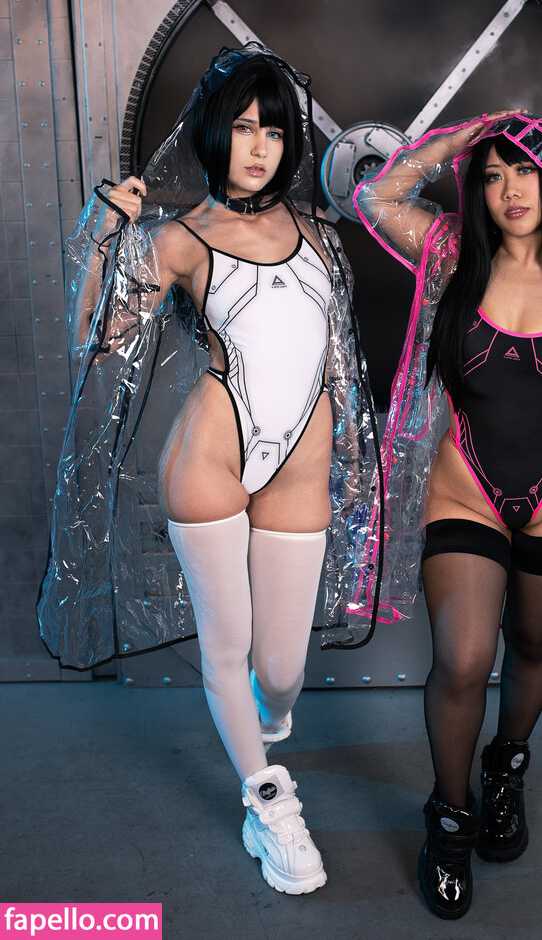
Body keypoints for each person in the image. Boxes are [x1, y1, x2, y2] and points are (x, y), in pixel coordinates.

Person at [37, 45, 382, 896]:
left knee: (282, 671)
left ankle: (264, 722)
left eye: (274, 130)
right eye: (243, 127)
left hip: (298, 461)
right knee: (227, 649)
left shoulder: (320, 234)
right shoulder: (182, 237)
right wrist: (105, 236)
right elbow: (97, 339)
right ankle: (271, 807)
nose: (259, 146)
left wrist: (350, 452)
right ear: (213, 134)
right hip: (211, 457)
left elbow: (338, 360)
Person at [354, 114, 542, 919]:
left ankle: (505, 772)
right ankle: (449, 821)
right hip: (467, 493)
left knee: (529, 647)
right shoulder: (451, 254)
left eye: (525, 170)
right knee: (461, 661)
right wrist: (465, 138)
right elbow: (376, 196)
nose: (510, 189)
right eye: (492, 176)